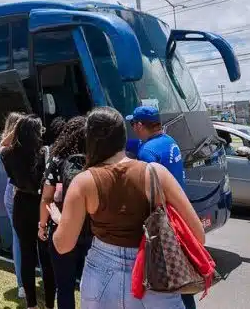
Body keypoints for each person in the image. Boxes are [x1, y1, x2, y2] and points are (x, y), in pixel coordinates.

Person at [52, 107, 205, 309]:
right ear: (124, 136)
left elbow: (63, 245)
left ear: (90, 139)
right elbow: (198, 236)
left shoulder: (83, 182)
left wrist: (59, 219)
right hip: (156, 274)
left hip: (101, 276)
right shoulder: (156, 174)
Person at [126, 106, 195, 309]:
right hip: (179, 212)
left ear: (139, 125)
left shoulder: (147, 152)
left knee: (170, 271)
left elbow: (149, 192)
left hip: (164, 218)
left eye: (133, 124)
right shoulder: (168, 141)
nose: (132, 129)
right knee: (181, 270)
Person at [1, 115, 56, 309]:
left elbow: (2, 144)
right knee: (46, 257)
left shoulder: (9, 154)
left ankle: (31, 304)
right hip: (42, 205)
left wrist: (15, 129)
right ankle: (50, 304)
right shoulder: (45, 152)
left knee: (26, 254)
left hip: (20, 203)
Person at [39, 116, 92, 309]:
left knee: (65, 287)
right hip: (92, 233)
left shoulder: (57, 160)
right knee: (90, 287)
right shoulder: (97, 160)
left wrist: (42, 225)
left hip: (62, 228)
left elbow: (47, 197)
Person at [0, 111, 26, 299]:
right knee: (21, 237)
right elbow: (3, 145)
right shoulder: (13, 147)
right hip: (17, 192)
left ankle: (22, 284)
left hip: (14, 192)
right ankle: (22, 283)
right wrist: (19, 128)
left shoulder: (17, 147)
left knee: (21, 237)